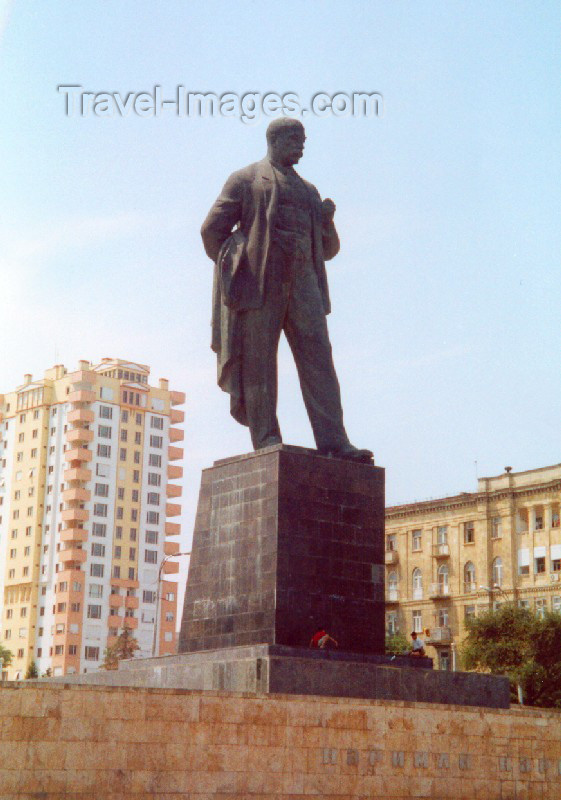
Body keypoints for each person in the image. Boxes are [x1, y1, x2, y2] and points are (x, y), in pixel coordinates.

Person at [201, 117, 373, 463]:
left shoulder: (308, 191)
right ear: (275, 140)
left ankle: (335, 441)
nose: (302, 145)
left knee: (319, 360)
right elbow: (211, 229)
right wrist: (237, 263)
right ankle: (266, 438)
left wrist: (325, 221)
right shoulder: (246, 179)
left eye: (304, 140)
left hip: (304, 281)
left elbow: (326, 250)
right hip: (262, 282)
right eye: (296, 139)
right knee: (260, 364)